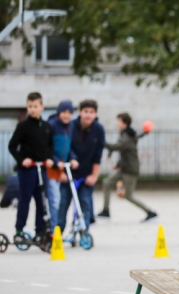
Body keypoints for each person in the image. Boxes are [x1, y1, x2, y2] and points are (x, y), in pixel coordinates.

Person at [7, 92, 55, 244]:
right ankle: (19, 230)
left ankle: (40, 230)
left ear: (42, 107)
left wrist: (49, 159)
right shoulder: (23, 126)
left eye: (35, 106)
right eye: (30, 106)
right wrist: (22, 160)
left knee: (41, 201)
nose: (32, 109)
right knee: (25, 200)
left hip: (42, 169)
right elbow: (12, 146)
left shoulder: (47, 126)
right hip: (28, 170)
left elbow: (50, 147)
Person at [97, 112, 158, 222]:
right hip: (124, 168)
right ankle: (105, 211)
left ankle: (150, 212)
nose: (117, 123)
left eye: (118, 121)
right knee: (106, 183)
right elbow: (124, 152)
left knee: (128, 196)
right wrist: (118, 164)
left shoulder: (127, 136)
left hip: (130, 170)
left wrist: (101, 142)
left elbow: (117, 146)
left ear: (124, 123)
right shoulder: (126, 134)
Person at [57, 99, 105, 232]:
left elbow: (98, 155)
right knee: (63, 203)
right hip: (68, 174)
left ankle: (84, 231)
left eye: (91, 112)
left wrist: (94, 175)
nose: (88, 115)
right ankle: (57, 233)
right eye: (85, 112)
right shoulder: (70, 126)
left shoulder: (99, 129)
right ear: (79, 112)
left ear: (95, 114)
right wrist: (60, 173)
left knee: (85, 202)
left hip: (86, 175)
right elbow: (62, 150)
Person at [47, 100, 79, 230]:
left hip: (62, 168)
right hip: (51, 167)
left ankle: (57, 227)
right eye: (64, 112)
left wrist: (73, 158)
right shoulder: (52, 125)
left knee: (59, 199)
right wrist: (55, 161)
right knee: (54, 199)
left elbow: (68, 148)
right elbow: (47, 147)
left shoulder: (70, 127)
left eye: (69, 112)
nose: (66, 115)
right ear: (59, 112)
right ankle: (52, 227)